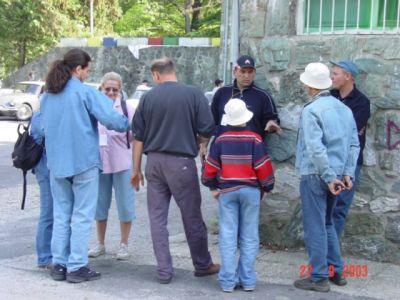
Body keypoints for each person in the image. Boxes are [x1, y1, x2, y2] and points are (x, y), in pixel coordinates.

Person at [40, 49, 129, 283]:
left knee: (61, 214)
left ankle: (59, 264)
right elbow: (112, 120)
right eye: (87, 70)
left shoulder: (47, 96)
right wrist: (128, 123)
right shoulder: (84, 93)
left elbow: (39, 130)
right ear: (78, 69)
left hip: (56, 164)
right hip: (83, 162)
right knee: (81, 214)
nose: (88, 74)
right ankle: (77, 265)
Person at [131, 57, 219, 284]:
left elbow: (138, 137)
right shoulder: (193, 94)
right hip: (181, 162)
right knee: (191, 216)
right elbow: (207, 126)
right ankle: (202, 264)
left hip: (154, 163)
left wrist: (135, 170)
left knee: (157, 218)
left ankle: (164, 271)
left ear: (156, 75)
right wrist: (201, 142)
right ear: (173, 71)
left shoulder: (148, 97)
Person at [293, 62, 359, 292]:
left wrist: (329, 176)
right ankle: (336, 271)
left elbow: (315, 148)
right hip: (338, 174)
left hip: (316, 174)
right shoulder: (345, 109)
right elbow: (353, 144)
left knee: (315, 226)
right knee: (328, 222)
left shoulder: (312, 110)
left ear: (309, 86)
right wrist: (347, 173)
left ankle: (319, 276)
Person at [202, 98, 275, 293]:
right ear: (246, 118)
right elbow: (263, 167)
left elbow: (210, 167)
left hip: (227, 191)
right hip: (251, 191)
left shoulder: (220, 140)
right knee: (249, 236)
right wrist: (266, 188)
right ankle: (248, 280)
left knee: (227, 234)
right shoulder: (255, 139)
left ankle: (227, 281)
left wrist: (212, 186)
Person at [88, 72, 136, 260]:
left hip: (122, 162)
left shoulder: (127, 108)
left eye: (115, 89)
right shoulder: (93, 107)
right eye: (107, 89)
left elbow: (136, 135)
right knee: (100, 204)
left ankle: (123, 245)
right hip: (100, 162)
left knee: (125, 204)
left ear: (120, 90)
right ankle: (100, 243)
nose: (110, 92)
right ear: (101, 88)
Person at [330, 60, 371, 238]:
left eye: (335, 74)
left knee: (339, 208)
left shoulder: (362, 102)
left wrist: (333, 127)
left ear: (348, 76)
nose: (331, 77)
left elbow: (350, 132)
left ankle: (331, 254)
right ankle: (322, 249)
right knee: (325, 207)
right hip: (329, 160)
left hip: (349, 162)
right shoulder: (328, 97)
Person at [211, 55, 281, 139]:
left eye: (250, 72)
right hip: (223, 147)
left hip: (252, 147)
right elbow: (212, 120)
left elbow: (272, 118)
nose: (246, 76)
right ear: (235, 72)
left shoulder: (263, 96)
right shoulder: (222, 93)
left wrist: (271, 123)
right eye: (243, 71)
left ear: (254, 73)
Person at [31, 111, 53, 270]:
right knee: (48, 212)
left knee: (54, 212)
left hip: (48, 167)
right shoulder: (40, 115)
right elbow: (48, 133)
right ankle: (44, 256)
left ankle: (52, 253)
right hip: (44, 168)